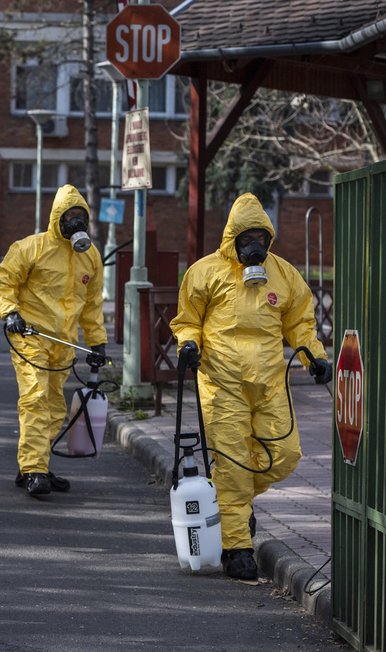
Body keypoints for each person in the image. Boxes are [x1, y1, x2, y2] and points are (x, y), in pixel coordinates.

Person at [170, 192, 332, 582]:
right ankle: (236, 547)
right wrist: (189, 345)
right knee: (232, 465)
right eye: (247, 239)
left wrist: (314, 356)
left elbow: (300, 325)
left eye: (261, 238)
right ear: (233, 239)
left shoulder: (284, 274)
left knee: (284, 455)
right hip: (221, 384)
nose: (254, 246)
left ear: (269, 238)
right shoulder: (205, 273)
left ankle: (233, 506)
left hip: (271, 384)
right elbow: (187, 320)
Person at [0, 184, 107, 498]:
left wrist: (97, 343)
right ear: (57, 217)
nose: (75, 222)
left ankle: (32, 462)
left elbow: (92, 303)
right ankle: (34, 470)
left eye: (80, 215)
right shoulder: (31, 248)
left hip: (64, 342)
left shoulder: (90, 257)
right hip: (31, 337)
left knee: (55, 407)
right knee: (35, 398)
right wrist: (10, 312)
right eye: (69, 216)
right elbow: (4, 283)